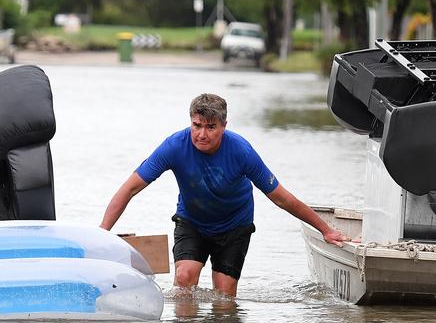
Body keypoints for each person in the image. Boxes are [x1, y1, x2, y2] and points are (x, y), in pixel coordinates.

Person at [101, 93, 347, 297]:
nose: (202, 134)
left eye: (211, 127)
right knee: (184, 279)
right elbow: (130, 187)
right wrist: (102, 232)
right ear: (191, 122)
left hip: (234, 226)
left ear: (224, 126)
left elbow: (281, 198)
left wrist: (325, 230)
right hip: (192, 222)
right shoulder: (175, 146)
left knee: (224, 296)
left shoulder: (241, 151)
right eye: (197, 126)